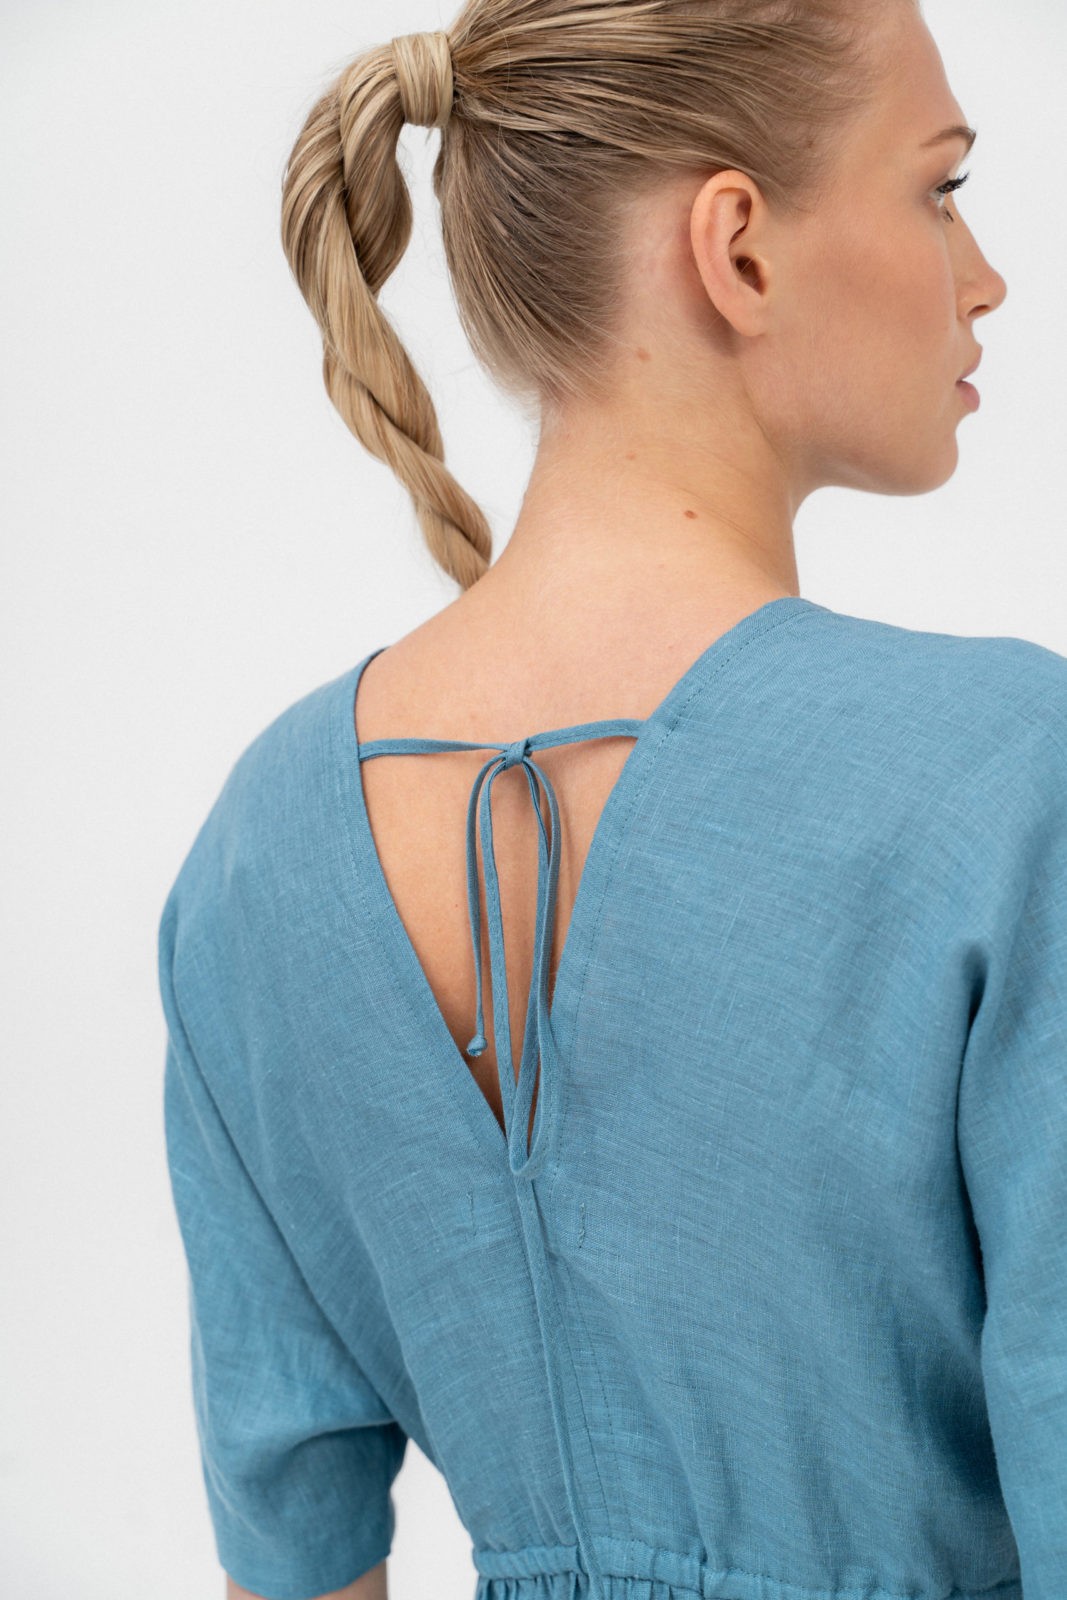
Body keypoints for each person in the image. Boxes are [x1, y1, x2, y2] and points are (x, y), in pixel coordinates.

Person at [158, 3, 1066, 1600]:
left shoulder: (262, 844)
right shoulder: (1009, 780)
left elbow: (293, 1555)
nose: (982, 276)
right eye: (940, 188)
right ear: (739, 249)